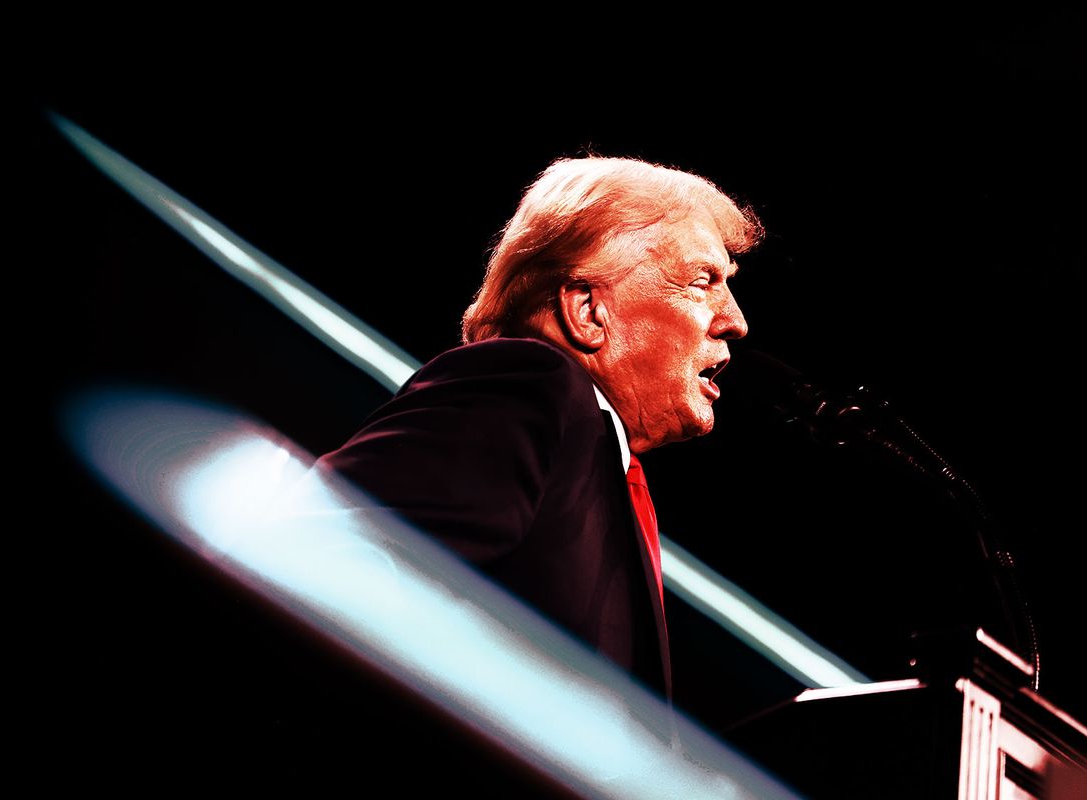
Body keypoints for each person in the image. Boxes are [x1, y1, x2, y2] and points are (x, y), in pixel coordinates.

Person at [319, 156, 762, 698]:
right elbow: (322, 559)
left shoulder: (597, 458)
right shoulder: (529, 383)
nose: (736, 321)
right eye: (702, 282)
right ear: (587, 312)